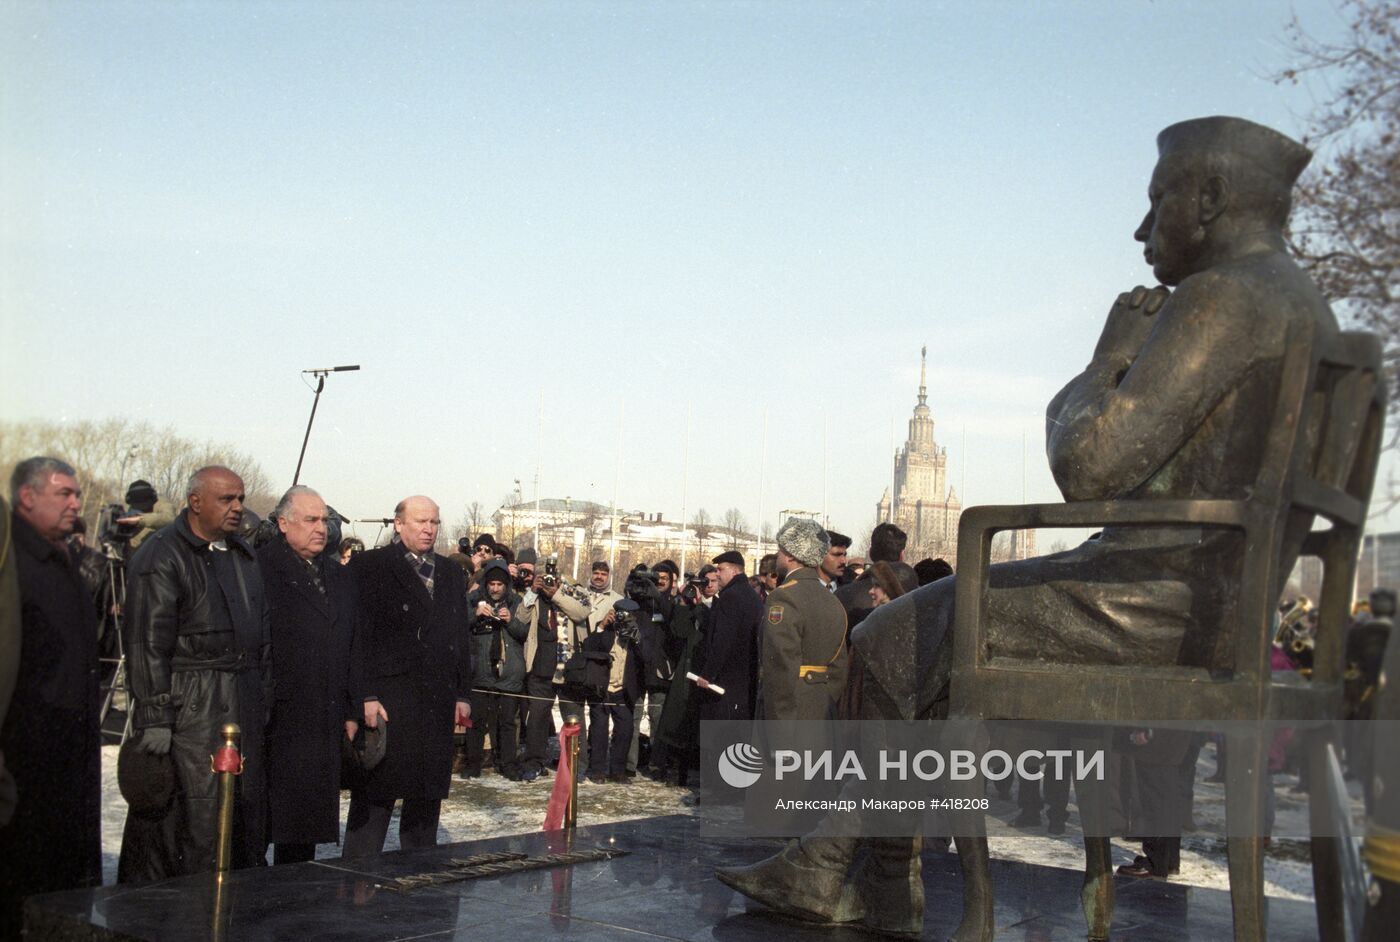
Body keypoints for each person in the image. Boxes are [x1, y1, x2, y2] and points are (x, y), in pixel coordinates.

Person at [719, 116, 1335, 939]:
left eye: (1159, 203)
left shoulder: (1223, 297)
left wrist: (1106, 358)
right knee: (921, 643)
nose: (1143, 229)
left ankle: (865, 872)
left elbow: (1087, 467)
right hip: (1206, 605)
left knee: (892, 636)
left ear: (1214, 198)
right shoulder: (1306, 306)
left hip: (1146, 610)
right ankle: (844, 864)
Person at [119, 465, 270, 883]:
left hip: (241, 702)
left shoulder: (242, 554)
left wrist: (263, 698)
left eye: (240, 498)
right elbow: (146, 643)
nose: (238, 507)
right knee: (189, 828)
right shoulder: (162, 554)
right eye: (227, 499)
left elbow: (263, 635)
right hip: (190, 710)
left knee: (239, 826)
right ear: (195, 501)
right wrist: (155, 717)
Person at [0, 458, 101, 936]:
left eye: (77, 494)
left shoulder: (65, 559)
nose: (75, 504)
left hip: (69, 751)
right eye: (63, 494)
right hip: (25, 753)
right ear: (27, 497)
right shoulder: (11, 564)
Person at [343, 496, 471, 856]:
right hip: (387, 704)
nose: (428, 529)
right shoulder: (369, 567)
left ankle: (419, 890)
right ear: (398, 524)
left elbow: (459, 638)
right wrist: (364, 696)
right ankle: (357, 884)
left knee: (424, 808)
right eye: (420, 522)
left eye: (434, 522)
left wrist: (462, 694)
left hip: (434, 704)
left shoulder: (448, 573)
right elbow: (357, 638)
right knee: (374, 805)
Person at [258, 486, 358, 865]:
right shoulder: (260, 568)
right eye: (311, 520)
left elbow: (353, 643)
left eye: (325, 520)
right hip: (278, 718)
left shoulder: (338, 575)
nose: (322, 528)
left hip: (324, 717)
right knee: (262, 826)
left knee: (301, 838)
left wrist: (351, 706)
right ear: (283, 524)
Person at [758, 520, 849, 722]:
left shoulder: (783, 597)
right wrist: (817, 699)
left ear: (791, 554)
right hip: (821, 714)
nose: (778, 556)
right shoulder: (833, 600)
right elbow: (838, 668)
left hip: (791, 721)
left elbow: (780, 669)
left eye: (780, 550)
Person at [515, 548, 591, 782]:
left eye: (552, 575)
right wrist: (533, 591)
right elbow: (521, 618)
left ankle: (576, 765)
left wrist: (556, 592)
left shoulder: (572, 590)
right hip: (540, 667)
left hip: (569, 668)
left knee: (574, 718)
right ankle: (534, 762)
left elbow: (581, 612)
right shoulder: (533, 595)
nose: (548, 579)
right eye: (544, 575)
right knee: (537, 718)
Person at [462, 559, 525, 779]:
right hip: (481, 671)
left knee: (508, 722)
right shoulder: (472, 600)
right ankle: (472, 764)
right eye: (492, 584)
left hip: (509, 672)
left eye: (500, 585)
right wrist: (476, 615)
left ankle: (508, 764)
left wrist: (510, 621)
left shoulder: (517, 602)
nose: (495, 589)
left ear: (506, 585)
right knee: (476, 721)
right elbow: (457, 625)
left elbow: (526, 633)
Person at [693, 551, 763, 723]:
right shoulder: (751, 595)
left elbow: (723, 640)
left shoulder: (730, 597)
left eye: (720, 569)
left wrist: (707, 675)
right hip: (745, 683)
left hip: (725, 684)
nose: (716, 574)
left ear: (734, 571)